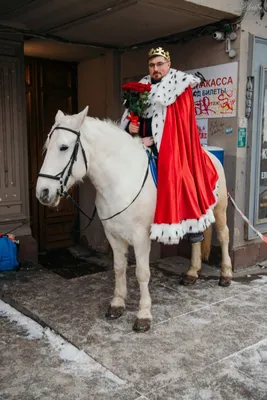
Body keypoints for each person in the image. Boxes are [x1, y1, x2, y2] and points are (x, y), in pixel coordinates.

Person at [120, 47, 218, 244]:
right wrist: (130, 127)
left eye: (159, 64)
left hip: (170, 144)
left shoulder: (179, 85)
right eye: (151, 65)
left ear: (168, 64)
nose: (155, 69)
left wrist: (156, 141)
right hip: (140, 142)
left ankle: (192, 223)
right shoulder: (141, 86)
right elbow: (130, 115)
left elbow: (180, 123)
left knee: (179, 172)